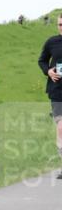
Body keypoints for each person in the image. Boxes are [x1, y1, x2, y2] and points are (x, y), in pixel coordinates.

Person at [37, 13, 62, 179]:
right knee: (61, 128)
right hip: (57, 90)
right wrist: (48, 71)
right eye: (60, 24)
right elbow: (42, 60)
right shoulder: (52, 42)